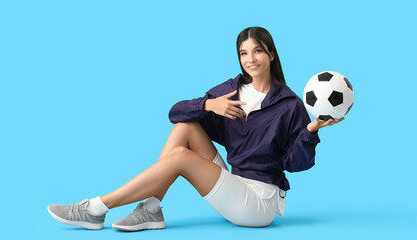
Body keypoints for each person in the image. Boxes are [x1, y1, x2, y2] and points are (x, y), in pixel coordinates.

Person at [47, 26, 344, 231]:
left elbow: (294, 164)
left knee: (180, 158)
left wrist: (311, 130)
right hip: (234, 180)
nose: (250, 59)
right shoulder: (231, 90)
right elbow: (174, 113)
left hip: (259, 201)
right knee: (185, 127)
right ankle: (151, 208)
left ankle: (96, 208)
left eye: (257, 52)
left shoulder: (289, 104)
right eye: (243, 53)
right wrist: (208, 106)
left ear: (271, 55)